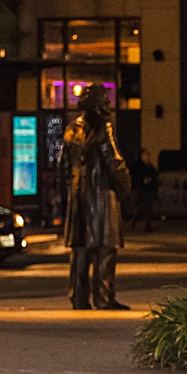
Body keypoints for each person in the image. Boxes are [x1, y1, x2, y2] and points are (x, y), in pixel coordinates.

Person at [61, 83, 131, 310]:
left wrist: (72, 189)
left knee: (80, 250)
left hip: (78, 196)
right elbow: (114, 161)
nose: (109, 104)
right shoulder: (103, 128)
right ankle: (103, 297)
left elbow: (63, 166)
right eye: (106, 100)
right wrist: (124, 187)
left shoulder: (71, 129)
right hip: (100, 195)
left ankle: (78, 297)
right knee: (105, 248)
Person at [127, 148, 160, 233]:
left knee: (148, 208)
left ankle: (147, 225)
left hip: (149, 189)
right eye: (144, 155)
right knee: (142, 208)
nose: (146, 157)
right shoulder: (138, 165)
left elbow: (155, 175)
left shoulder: (150, 166)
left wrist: (151, 181)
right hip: (141, 190)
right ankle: (135, 223)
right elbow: (134, 176)